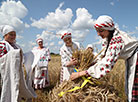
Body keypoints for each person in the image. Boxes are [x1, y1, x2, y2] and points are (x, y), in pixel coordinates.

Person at [70, 15, 138, 102]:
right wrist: (89, 64)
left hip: (136, 58)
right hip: (131, 58)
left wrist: (81, 74)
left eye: (101, 31)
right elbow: (102, 57)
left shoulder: (117, 40)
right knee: (129, 87)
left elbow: (107, 64)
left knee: (133, 89)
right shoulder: (107, 38)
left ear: (109, 29)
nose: (98, 34)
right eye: (97, 31)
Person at [0, 25, 37, 102]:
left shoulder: (17, 46)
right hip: (5, 73)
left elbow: (22, 58)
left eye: (14, 34)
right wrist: (13, 54)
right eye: (11, 34)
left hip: (16, 72)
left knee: (16, 88)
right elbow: (2, 60)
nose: (13, 36)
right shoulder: (2, 45)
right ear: (5, 35)